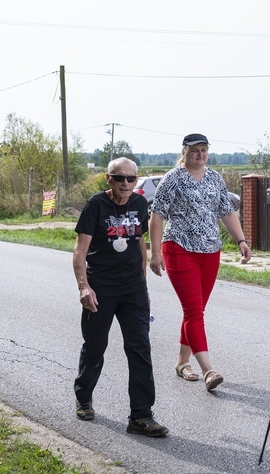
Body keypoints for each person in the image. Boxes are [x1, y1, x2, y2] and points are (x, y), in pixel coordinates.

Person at [72, 157, 169, 437]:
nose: (126, 183)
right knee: (95, 346)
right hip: (100, 289)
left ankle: (141, 415)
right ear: (108, 179)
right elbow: (80, 251)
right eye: (120, 178)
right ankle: (84, 397)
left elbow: (140, 245)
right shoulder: (96, 205)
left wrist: (144, 287)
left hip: (132, 289)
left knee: (140, 349)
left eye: (131, 178)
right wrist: (83, 287)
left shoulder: (140, 204)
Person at [149, 133, 251, 392]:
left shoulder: (215, 178)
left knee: (195, 311)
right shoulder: (172, 179)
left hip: (210, 251)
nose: (200, 154)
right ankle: (208, 370)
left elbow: (227, 212)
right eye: (195, 150)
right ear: (184, 152)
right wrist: (156, 252)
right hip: (179, 248)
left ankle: (182, 362)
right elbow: (157, 216)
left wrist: (241, 240)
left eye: (204, 149)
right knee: (194, 311)